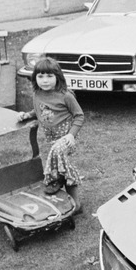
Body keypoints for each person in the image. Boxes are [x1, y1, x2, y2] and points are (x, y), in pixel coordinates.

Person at [18, 57, 85, 213]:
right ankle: (75, 203)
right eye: (40, 76)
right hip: (51, 137)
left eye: (49, 76)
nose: (45, 80)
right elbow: (40, 111)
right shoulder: (37, 95)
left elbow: (79, 115)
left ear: (58, 77)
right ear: (35, 78)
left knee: (57, 153)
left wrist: (71, 135)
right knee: (63, 165)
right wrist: (27, 115)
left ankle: (54, 180)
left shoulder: (65, 95)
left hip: (67, 137)